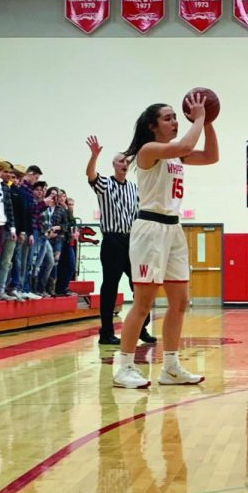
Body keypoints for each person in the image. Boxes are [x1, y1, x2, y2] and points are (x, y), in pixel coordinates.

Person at [114, 93, 218, 389]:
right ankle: (124, 368)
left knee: (180, 301)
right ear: (152, 126)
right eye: (168, 117)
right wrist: (198, 117)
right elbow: (186, 145)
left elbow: (211, 156)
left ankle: (170, 367)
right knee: (144, 302)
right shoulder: (149, 150)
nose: (174, 121)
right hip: (150, 229)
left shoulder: (174, 154)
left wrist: (208, 122)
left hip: (173, 230)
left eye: (176, 117)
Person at [86, 136, 157, 345]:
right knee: (110, 286)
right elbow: (90, 175)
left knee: (140, 285)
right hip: (112, 241)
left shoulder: (134, 188)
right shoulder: (105, 184)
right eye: (120, 161)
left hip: (132, 241)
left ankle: (141, 328)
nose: (124, 164)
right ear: (114, 165)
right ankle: (106, 332)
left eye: (126, 161)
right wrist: (94, 156)